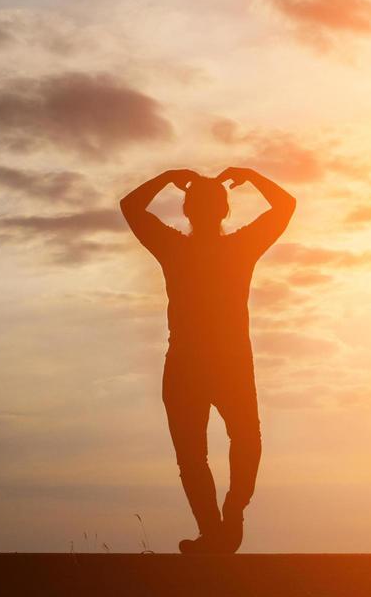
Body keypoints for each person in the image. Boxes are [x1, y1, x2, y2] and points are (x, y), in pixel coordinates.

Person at [120, 167, 295, 554]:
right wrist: (251, 176)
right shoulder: (240, 247)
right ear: (225, 210)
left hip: (187, 364)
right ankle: (226, 522)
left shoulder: (175, 247)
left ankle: (216, 529)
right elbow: (286, 205)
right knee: (243, 440)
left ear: (186, 210)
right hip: (226, 363)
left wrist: (167, 177)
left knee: (194, 456)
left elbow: (130, 206)